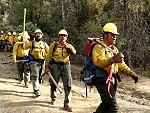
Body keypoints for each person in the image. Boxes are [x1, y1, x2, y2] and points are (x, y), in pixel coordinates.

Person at [92, 23, 139, 113]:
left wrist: (131, 73)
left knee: (106, 104)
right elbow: (99, 62)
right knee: (113, 108)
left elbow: (121, 64)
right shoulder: (98, 47)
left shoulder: (114, 49)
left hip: (112, 80)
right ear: (105, 35)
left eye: (115, 35)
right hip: (102, 80)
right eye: (112, 35)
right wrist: (112, 59)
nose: (115, 37)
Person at [45, 29, 76, 112]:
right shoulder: (53, 45)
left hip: (66, 66)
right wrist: (47, 67)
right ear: (58, 36)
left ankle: (67, 104)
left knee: (68, 84)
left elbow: (74, 52)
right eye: (61, 35)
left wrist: (67, 47)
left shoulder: (69, 45)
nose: (63, 37)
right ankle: (53, 97)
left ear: (67, 37)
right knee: (54, 82)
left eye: (64, 36)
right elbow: (48, 56)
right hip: (55, 65)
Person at [24, 29, 49, 97]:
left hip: (42, 62)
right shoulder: (31, 43)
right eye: (36, 33)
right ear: (34, 35)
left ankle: (37, 88)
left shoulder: (44, 44)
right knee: (35, 76)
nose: (38, 35)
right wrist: (24, 41)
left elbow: (49, 53)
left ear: (42, 35)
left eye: (39, 34)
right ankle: (36, 90)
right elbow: (24, 47)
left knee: (40, 77)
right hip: (34, 62)